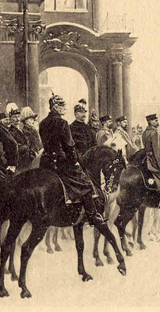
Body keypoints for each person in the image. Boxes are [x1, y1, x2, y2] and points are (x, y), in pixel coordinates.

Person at [39, 93, 105, 224]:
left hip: (45, 163)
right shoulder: (62, 123)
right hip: (61, 163)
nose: (64, 108)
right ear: (55, 107)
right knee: (86, 183)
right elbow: (69, 146)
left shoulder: (42, 123)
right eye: (62, 105)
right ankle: (93, 216)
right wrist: (75, 161)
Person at [5, 103, 35, 170]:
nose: (17, 119)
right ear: (10, 119)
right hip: (18, 163)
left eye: (18, 116)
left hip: (28, 161)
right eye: (15, 117)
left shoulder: (24, 131)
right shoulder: (9, 132)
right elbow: (12, 148)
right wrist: (24, 148)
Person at [142, 114, 160, 189]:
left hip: (146, 158)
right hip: (154, 161)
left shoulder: (144, 133)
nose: (157, 122)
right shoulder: (155, 133)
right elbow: (158, 151)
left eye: (157, 120)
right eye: (155, 120)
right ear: (150, 122)